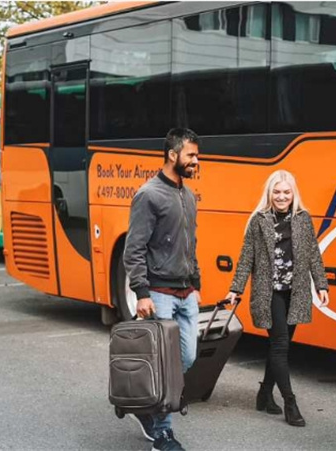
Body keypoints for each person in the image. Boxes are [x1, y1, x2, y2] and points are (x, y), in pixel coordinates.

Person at [225, 169, 330, 427]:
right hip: (268, 292)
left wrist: (321, 284)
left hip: (294, 292)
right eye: (277, 191)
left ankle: (263, 394)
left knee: (278, 347)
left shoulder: (303, 219)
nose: (281, 197)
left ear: (293, 193)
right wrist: (235, 288)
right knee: (281, 345)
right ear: (269, 193)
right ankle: (290, 403)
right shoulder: (258, 220)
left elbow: (314, 254)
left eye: (286, 191)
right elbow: (246, 256)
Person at [123, 128, 202, 451]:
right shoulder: (149, 195)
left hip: (186, 292)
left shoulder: (187, 194)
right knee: (167, 364)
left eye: (196, 155)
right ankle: (162, 434)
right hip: (159, 293)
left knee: (188, 357)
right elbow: (134, 248)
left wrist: (195, 283)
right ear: (173, 155)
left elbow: (190, 244)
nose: (196, 160)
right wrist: (141, 292)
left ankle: (147, 405)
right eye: (191, 155)